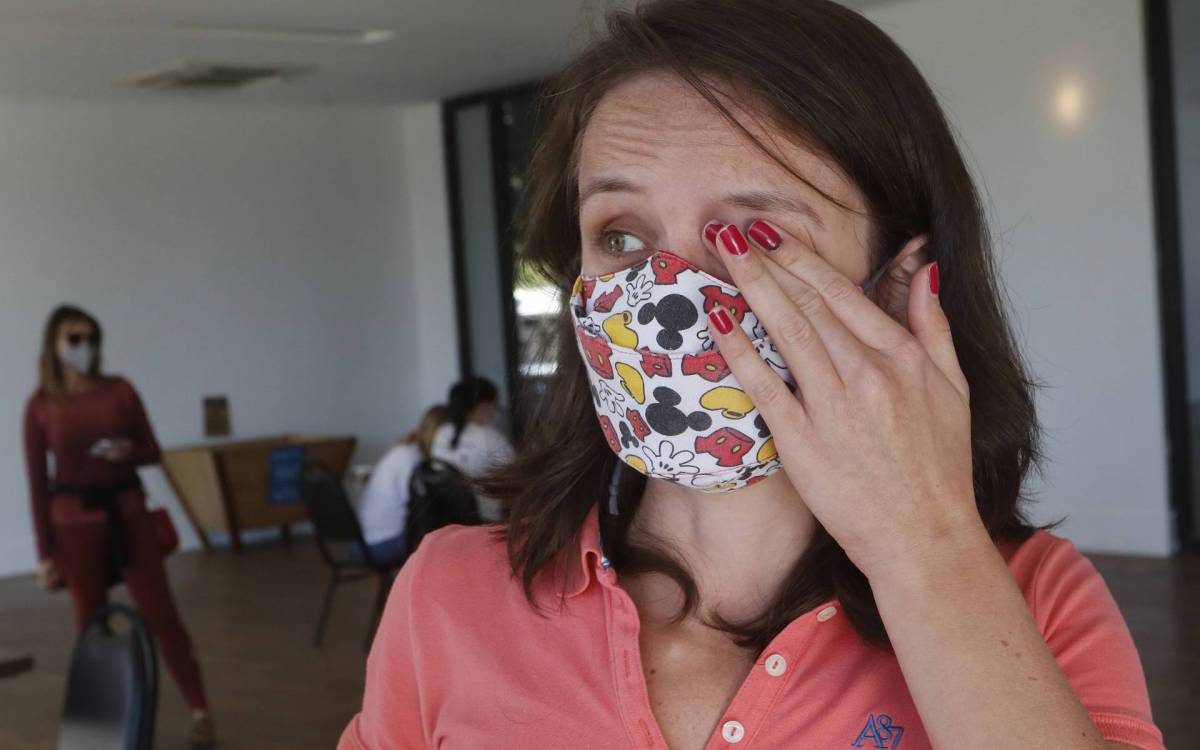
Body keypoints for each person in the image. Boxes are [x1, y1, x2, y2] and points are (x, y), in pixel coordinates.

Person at [340, 2, 1164, 748]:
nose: (665, 294)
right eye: (621, 236)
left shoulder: (1033, 603)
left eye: (753, 240)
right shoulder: (448, 594)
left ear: (900, 282)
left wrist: (929, 553)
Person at [22, 305, 215, 748]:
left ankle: (200, 710)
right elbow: (37, 483)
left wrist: (126, 452)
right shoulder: (40, 406)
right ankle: (101, 723)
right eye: (73, 339)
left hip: (128, 515)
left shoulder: (120, 391)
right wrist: (44, 553)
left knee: (162, 616)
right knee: (90, 626)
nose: (83, 347)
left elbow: (152, 451)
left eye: (90, 337)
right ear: (53, 344)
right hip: (73, 524)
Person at [355, 405, 448, 566]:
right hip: (381, 544)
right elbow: (420, 506)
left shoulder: (405, 450)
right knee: (446, 540)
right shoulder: (413, 459)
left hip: (363, 541)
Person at [429, 377, 513, 523]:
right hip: (484, 522)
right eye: (495, 404)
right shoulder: (491, 438)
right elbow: (516, 482)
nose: (496, 411)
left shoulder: (441, 433)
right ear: (484, 406)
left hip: (446, 520)